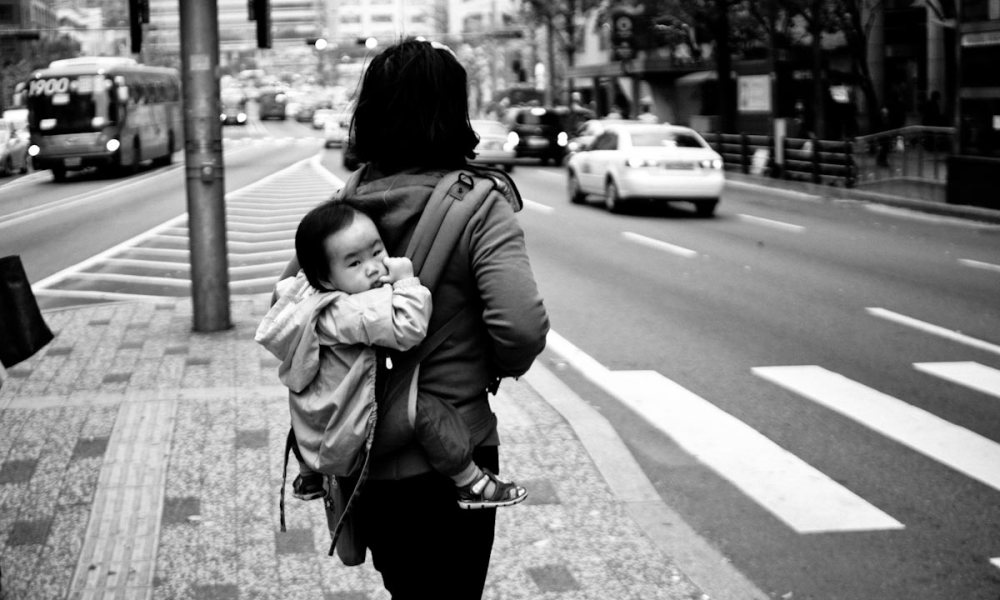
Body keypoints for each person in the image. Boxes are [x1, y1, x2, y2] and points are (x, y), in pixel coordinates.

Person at [275, 39, 549, 598]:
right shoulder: (481, 204)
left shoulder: (346, 203)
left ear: (371, 111)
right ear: (453, 112)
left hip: (366, 458)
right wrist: (488, 368)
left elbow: (286, 308)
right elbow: (521, 327)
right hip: (456, 451)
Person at [258, 201, 528, 510]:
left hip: (322, 418)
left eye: (377, 251)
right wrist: (405, 280)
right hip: (351, 425)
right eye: (354, 263)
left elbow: (283, 289)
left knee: (304, 408)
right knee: (426, 411)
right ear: (327, 279)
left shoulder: (304, 297)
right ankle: (471, 482)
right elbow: (408, 328)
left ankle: (308, 476)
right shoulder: (349, 310)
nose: (373, 267)